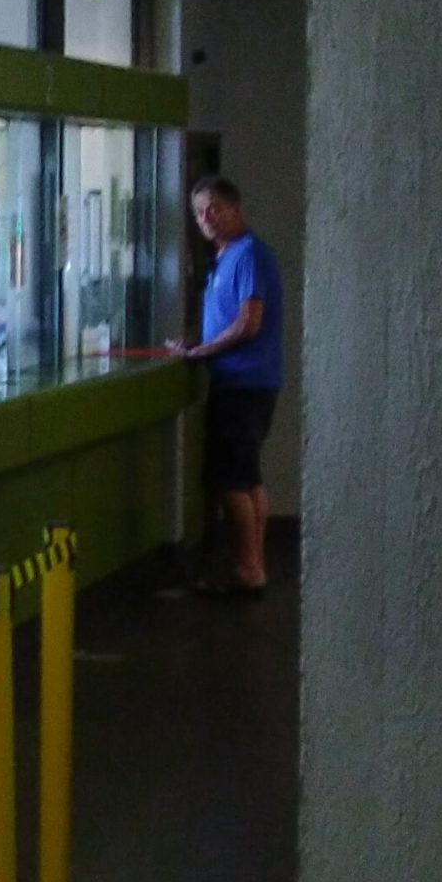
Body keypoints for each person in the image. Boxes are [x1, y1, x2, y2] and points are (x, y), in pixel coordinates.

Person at [176, 174, 284, 596]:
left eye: (214, 209)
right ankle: (253, 563)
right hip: (243, 381)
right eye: (199, 212)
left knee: (231, 481)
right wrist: (200, 344)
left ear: (235, 209)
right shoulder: (226, 257)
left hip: (244, 383)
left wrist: (202, 353)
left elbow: (248, 322)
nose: (206, 219)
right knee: (249, 478)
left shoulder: (248, 255)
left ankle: (249, 568)